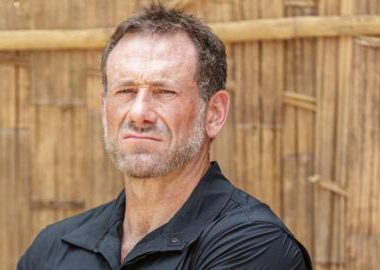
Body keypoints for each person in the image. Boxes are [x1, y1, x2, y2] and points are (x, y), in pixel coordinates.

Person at [17, 4, 312, 269]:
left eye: (164, 92)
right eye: (126, 91)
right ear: (104, 105)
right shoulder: (54, 249)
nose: (139, 112)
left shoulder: (254, 245)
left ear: (214, 113)